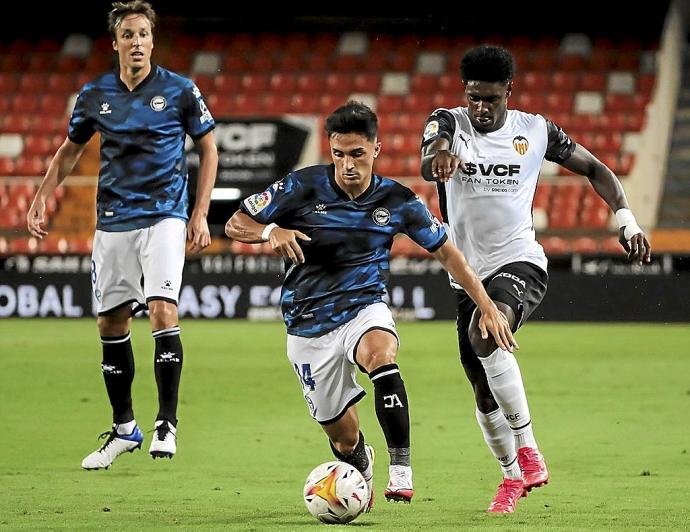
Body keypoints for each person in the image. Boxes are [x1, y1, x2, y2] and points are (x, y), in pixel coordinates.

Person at [225, 101, 517, 509]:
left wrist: (485, 305)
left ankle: (402, 468)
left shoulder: (397, 200)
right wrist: (270, 230)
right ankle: (361, 459)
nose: (348, 165)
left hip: (365, 306)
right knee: (340, 434)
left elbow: (450, 254)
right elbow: (235, 222)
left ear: (376, 150)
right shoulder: (301, 187)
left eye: (357, 154)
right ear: (330, 149)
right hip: (307, 323)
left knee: (380, 353)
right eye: (339, 154)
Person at [420, 45, 652, 513]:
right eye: (473, 98)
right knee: (481, 387)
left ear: (509, 91)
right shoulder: (448, 121)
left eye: (489, 98)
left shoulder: (536, 130)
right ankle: (510, 477)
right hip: (466, 275)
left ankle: (528, 449)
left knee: (485, 331)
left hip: (520, 261)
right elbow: (432, 153)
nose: (480, 108)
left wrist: (625, 218)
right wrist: (439, 158)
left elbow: (596, 168)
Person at [26, 0, 218, 470]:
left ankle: (166, 423)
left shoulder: (180, 90)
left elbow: (208, 149)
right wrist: (40, 197)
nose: (136, 43)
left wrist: (200, 213)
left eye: (143, 34)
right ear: (115, 43)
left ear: (153, 40)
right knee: (110, 324)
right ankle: (124, 428)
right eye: (127, 35)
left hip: (165, 216)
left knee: (160, 309)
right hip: (113, 220)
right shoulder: (94, 96)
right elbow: (68, 153)